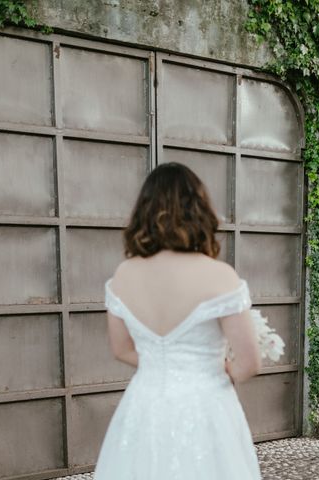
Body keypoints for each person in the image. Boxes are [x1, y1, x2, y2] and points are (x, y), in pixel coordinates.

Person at [94, 162, 262, 480]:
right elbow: (250, 361)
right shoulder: (219, 276)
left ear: (143, 212)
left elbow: (120, 348)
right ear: (199, 210)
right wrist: (222, 368)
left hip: (143, 406)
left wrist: (162, 365)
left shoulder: (124, 275)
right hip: (207, 406)